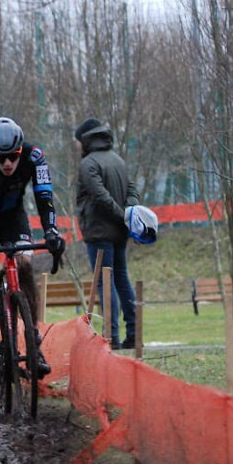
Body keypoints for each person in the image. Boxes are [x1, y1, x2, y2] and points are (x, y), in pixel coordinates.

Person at [0, 116, 65, 381]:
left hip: (12, 217)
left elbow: (44, 198)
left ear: (22, 150)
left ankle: (33, 339)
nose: (7, 163)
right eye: (0, 158)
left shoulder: (35, 157)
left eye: (13, 156)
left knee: (25, 264)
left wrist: (52, 231)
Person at [74, 117, 141, 349]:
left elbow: (99, 196)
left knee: (105, 282)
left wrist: (122, 215)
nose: (76, 146)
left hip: (99, 231)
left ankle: (110, 337)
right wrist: (128, 214)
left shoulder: (88, 164)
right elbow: (132, 189)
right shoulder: (118, 160)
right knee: (122, 278)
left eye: (77, 141)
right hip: (120, 232)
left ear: (85, 139)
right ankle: (134, 333)